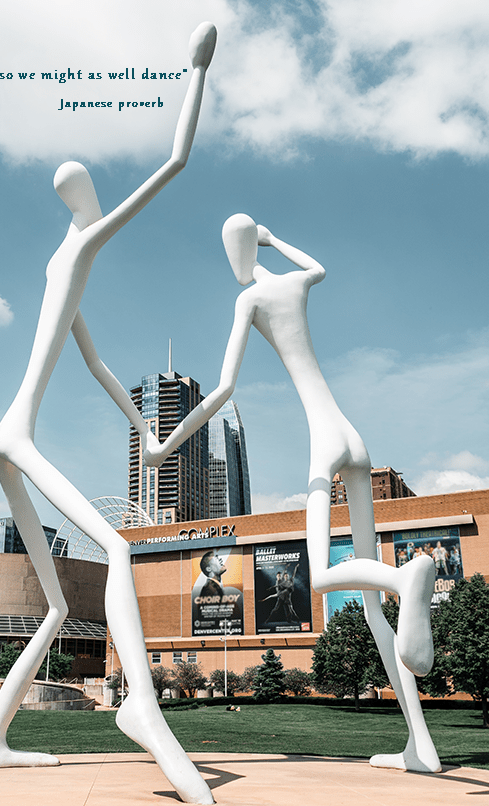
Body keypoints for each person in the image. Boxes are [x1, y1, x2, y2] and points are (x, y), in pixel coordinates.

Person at [0, 23, 216, 806]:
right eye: (89, 194)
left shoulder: (59, 264)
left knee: (50, 606)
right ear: (84, 202)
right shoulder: (84, 243)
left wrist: (139, 418)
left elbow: (93, 359)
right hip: (19, 437)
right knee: (114, 546)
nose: (96, 201)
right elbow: (173, 164)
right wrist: (197, 72)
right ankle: (140, 704)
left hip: (5, 437)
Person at [145, 213, 440, 773]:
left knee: (323, 575)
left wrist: (167, 444)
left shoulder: (249, 301)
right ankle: (419, 746)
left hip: (324, 442)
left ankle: (403, 577)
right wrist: (274, 238)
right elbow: (319, 267)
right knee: (375, 614)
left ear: (234, 254)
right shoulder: (294, 281)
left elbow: (225, 388)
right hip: (357, 438)